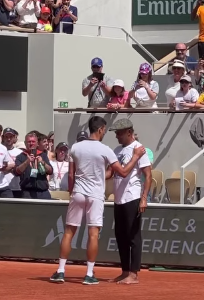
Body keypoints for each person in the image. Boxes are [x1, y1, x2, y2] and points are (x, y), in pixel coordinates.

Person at [49, 115, 146, 285]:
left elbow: (71, 174)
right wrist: (136, 156)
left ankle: (61, 271)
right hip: (95, 195)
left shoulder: (75, 147)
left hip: (78, 192)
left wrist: (72, 191)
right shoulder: (106, 149)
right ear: (100, 129)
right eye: (105, 130)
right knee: (93, 234)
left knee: (69, 232)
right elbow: (122, 172)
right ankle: (88, 274)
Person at [109, 118, 152, 285]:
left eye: (119, 133)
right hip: (118, 199)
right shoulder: (117, 149)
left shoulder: (139, 149)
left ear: (128, 132)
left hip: (132, 197)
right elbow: (112, 173)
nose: (117, 136)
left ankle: (134, 273)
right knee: (120, 236)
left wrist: (144, 198)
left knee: (133, 236)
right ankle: (125, 270)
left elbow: (148, 175)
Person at [14, 131, 53, 199]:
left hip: (43, 192)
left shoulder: (43, 155)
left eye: (33, 141)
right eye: (29, 142)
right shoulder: (20, 156)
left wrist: (42, 162)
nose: (31, 144)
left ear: (37, 143)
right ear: (25, 143)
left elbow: (50, 171)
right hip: (27, 193)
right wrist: (27, 162)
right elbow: (17, 172)